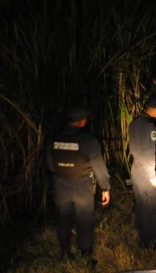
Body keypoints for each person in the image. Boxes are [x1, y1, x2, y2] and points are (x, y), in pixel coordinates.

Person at [45, 105, 111, 264]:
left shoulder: (53, 138)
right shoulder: (88, 141)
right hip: (82, 186)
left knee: (63, 219)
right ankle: (85, 253)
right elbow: (99, 167)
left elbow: (50, 165)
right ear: (82, 121)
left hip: (60, 184)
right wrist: (105, 188)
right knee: (84, 219)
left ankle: (65, 252)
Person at [128, 96, 156, 250]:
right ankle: (151, 242)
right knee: (153, 208)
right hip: (149, 174)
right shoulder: (150, 127)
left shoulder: (134, 124)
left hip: (137, 170)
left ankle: (142, 238)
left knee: (142, 205)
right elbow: (149, 152)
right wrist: (153, 177)